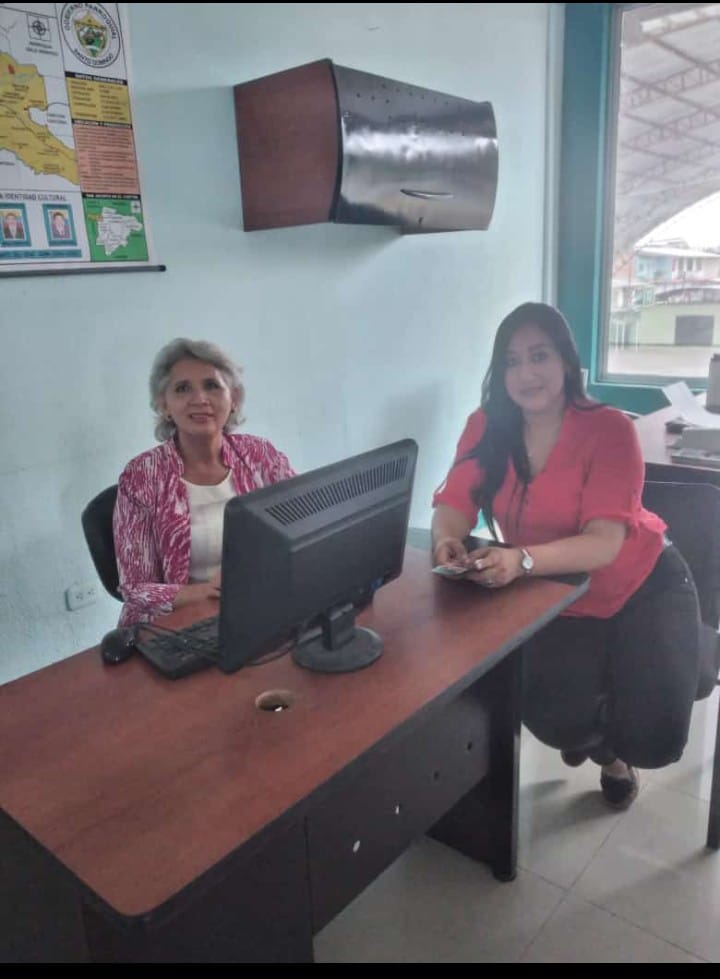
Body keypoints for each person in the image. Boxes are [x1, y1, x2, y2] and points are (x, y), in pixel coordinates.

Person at [431, 301, 701, 811]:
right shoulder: (486, 425)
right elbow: (454, 502)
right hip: (559, 596)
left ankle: (641, 712)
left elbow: (604, 543)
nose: (525, 373)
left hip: (642, 583)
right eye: (512, 361)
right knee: (555, 722)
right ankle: (607, 755)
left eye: (540, 356)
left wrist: (522, 561)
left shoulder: (609, 429)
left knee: (657, 741)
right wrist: (447, 537)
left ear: (566, 362)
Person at [113, 338, 295, 627]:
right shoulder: (142, 476)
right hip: (179, 624)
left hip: (259, 603)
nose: (200, 399)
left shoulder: (260, 455)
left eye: (212, 385)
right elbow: (135, 589)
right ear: (164, 404)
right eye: (182, 388)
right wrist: (207, 592)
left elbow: (302, 526)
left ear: (234, 398)